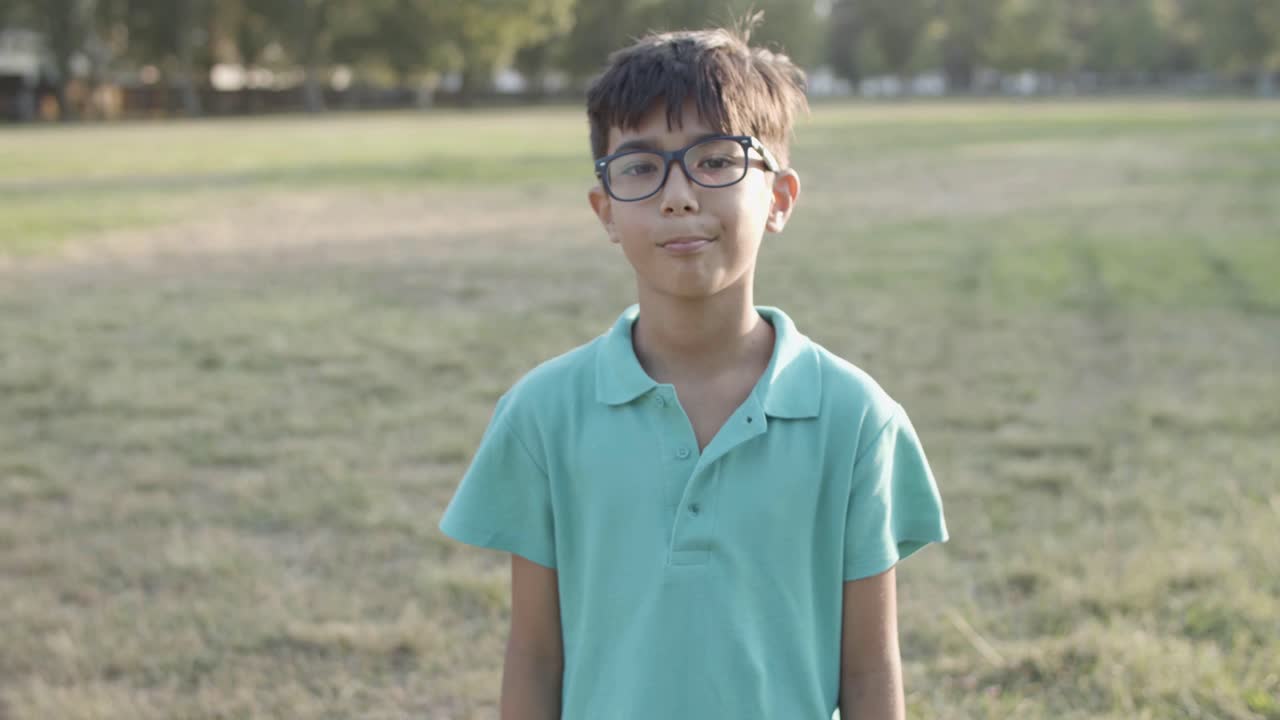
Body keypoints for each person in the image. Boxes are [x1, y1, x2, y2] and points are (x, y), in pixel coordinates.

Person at [438, 14, 947, 720]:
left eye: (715, 159)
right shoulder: (544, 414)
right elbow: (535, 655)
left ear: (779, 198)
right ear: (605, 210)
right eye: (642, 166)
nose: (678, 194)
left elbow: (868, 669)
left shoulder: (856, 420)